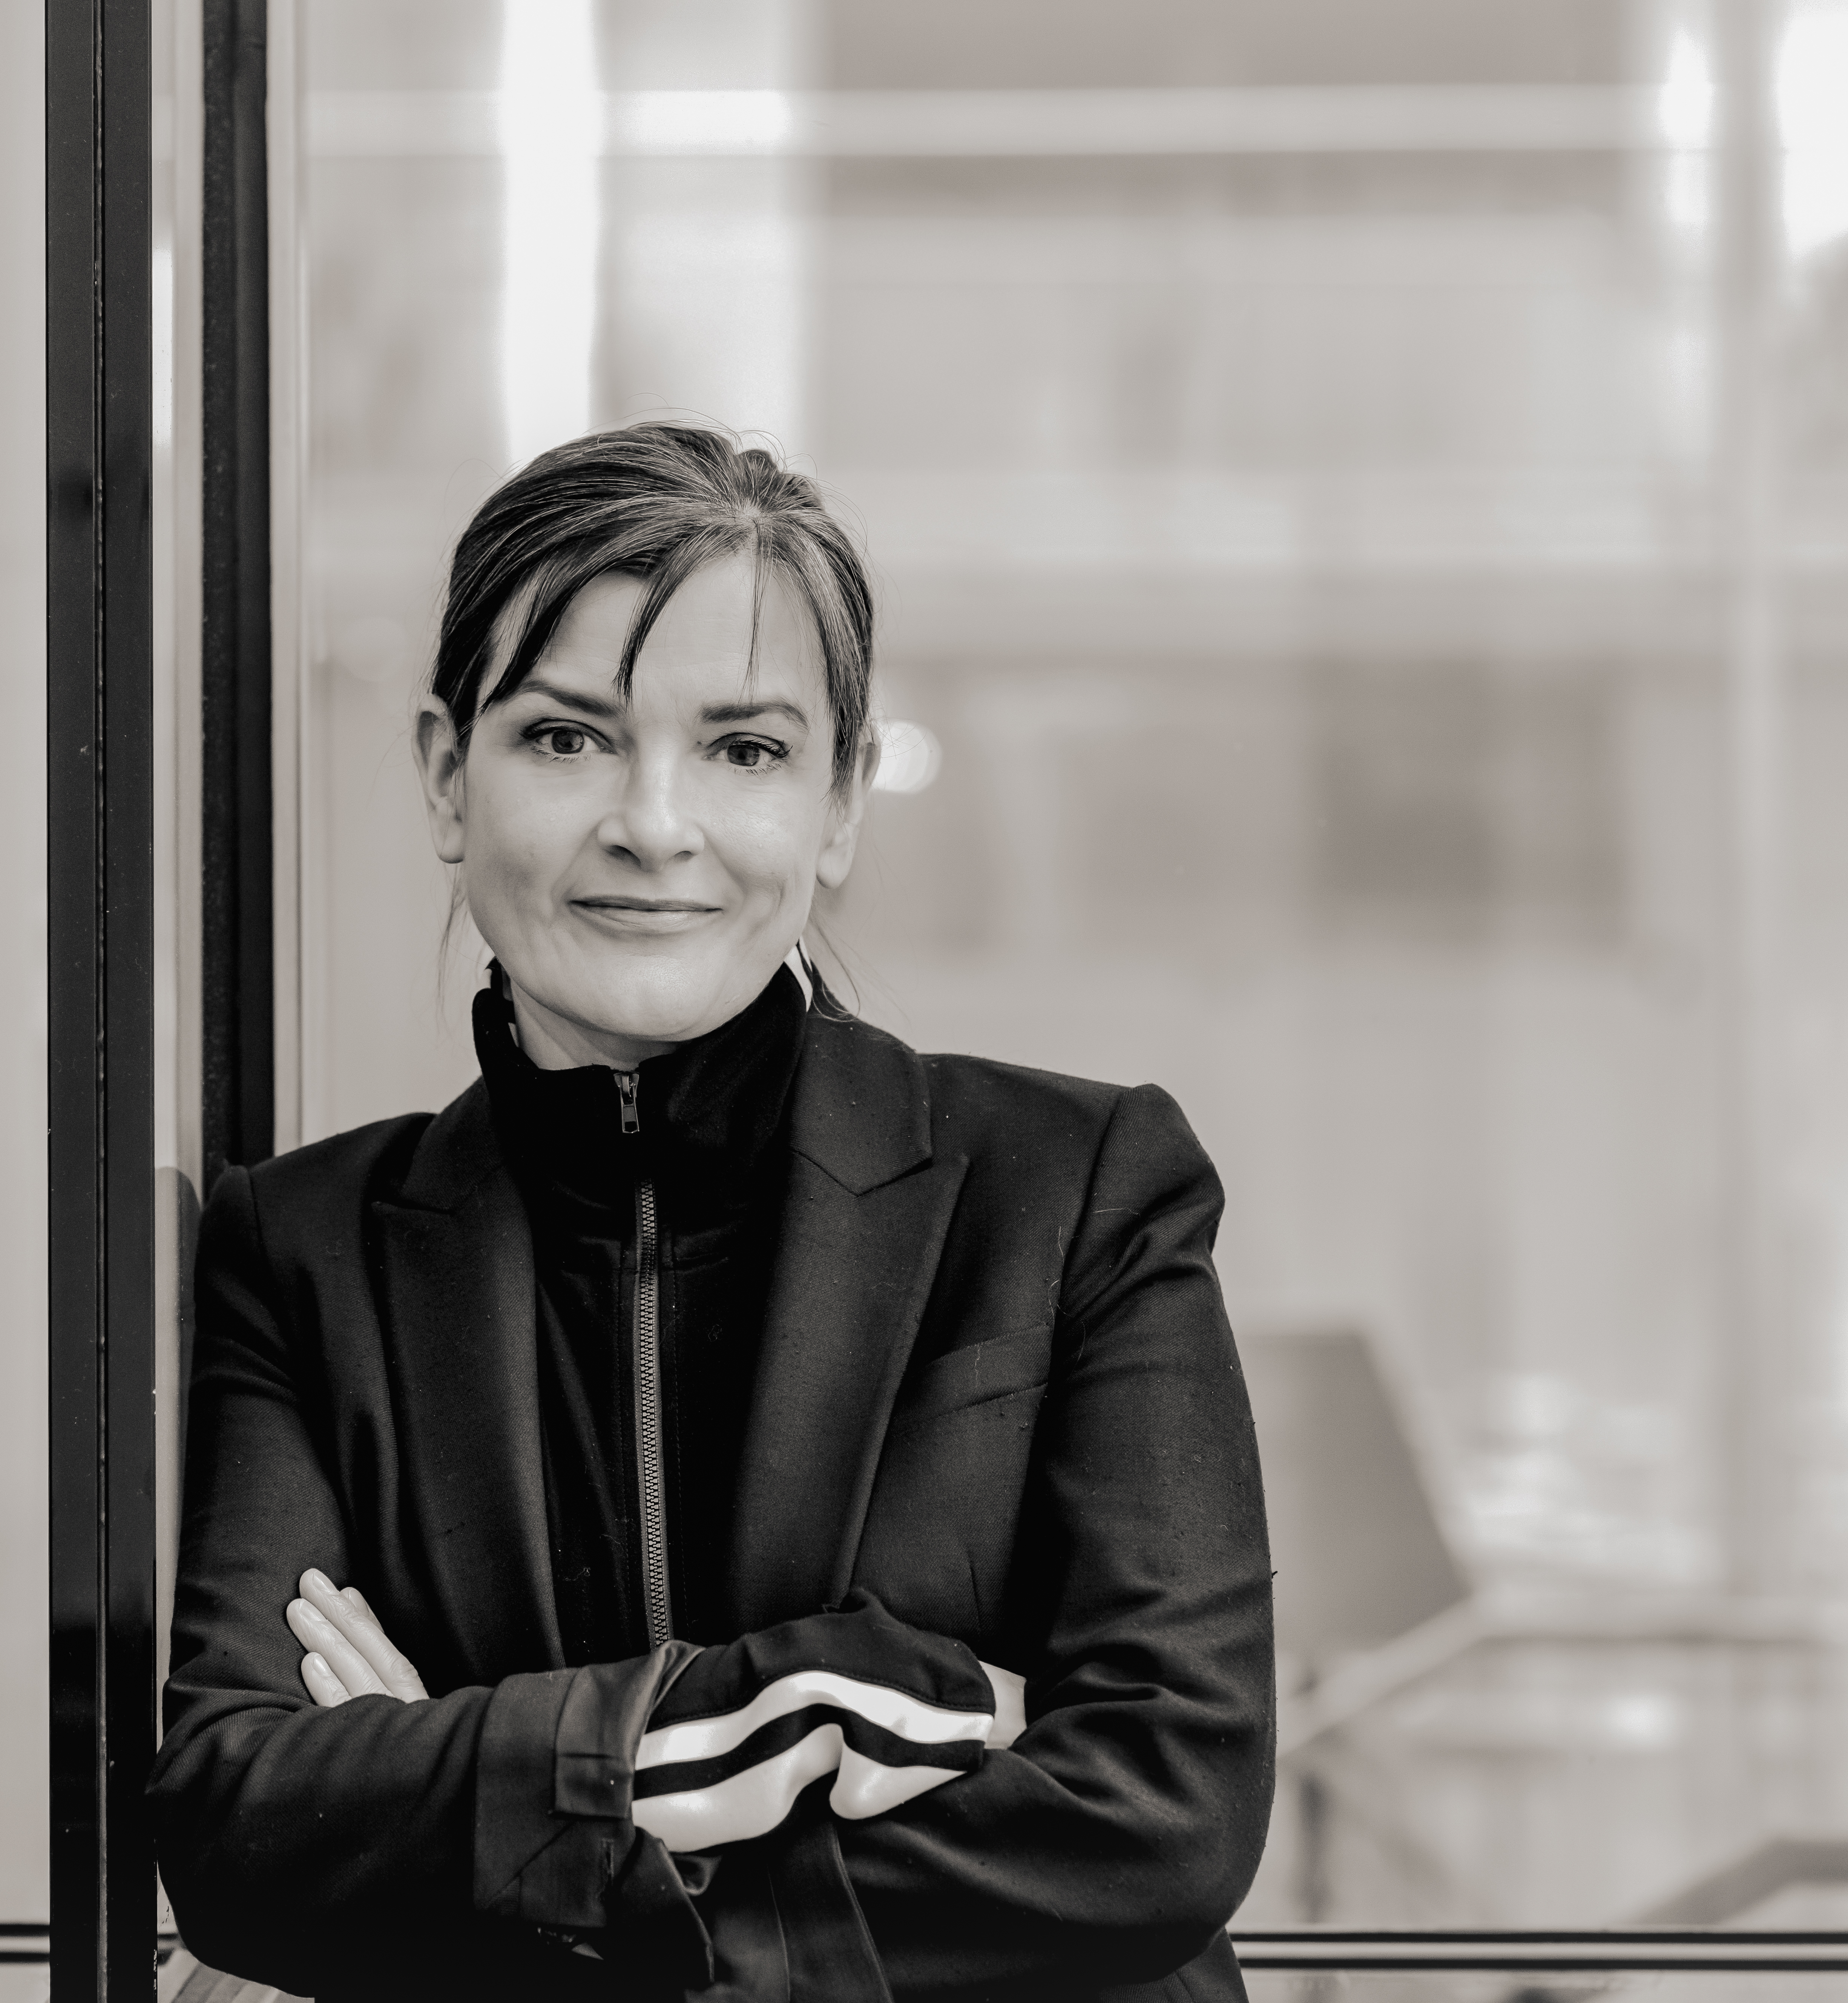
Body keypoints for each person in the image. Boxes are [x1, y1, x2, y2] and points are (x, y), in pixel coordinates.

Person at [150, 423, 1274, 2002]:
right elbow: (237, 1830)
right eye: (566, 739)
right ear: (443, 775)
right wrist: (825, 1699)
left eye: (743, 749)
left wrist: (511, 1806)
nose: (654, 825)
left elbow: (1162, 1816)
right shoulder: (298, 1253)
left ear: (840, 801)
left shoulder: (1082, 1190)